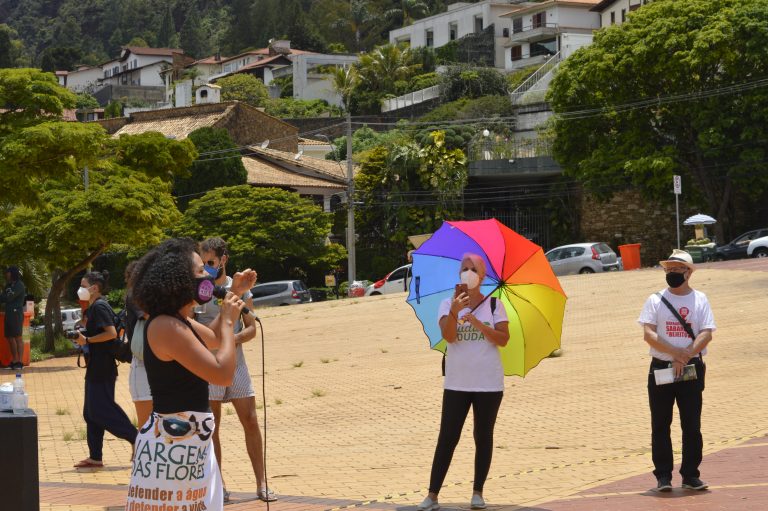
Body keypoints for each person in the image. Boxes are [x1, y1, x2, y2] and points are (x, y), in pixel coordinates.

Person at [126, 238, 256, 511]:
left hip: (189, 444)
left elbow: (216, 340)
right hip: (174, 447)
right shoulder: (166, 326)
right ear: (180, 281)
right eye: (199, 271)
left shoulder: (179, 321)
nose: (207, 276)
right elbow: (222, 374)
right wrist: (229, 320)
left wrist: (233, 292)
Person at [418, 253, 510, 511]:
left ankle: (478, 492)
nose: (467, 273)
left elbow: (503, 339)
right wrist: (455, 311)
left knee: (483, 435)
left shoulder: (495, 305)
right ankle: (432, 495)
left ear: (482, 276)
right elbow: (449, 337)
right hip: (457, 383)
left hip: (488, 383)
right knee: (448, 436)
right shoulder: (447, 303)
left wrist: (478, 323)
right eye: (464, 268)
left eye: (473, 269)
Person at [196, 237, 275, 502]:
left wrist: (232, 339)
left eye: (211, 261)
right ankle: (220, 486)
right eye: (203, 262)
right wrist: (216, 342)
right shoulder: (199, 290)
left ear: (223, 260)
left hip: (236, 363)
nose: (207, 267)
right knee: (212, 426)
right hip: (209, 365)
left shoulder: (239, 288)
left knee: (250, 420)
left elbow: (251, 328)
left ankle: (262, 483)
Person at [638, 249, 715, 492]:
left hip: (691, 368)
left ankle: (690, 475)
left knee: (691, 424)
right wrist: (676, 354)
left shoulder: (700, 299)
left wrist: (686, 355)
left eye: (676, 269)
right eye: (668, 269)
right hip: (661, 368)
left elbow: (706, 333)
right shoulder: (655, 300)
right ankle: (663, 476)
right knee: (660, 424)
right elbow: (648, 334)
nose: (671, 273)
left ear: (688, 272)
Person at [73, 270, 138, 469]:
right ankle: (95, 457)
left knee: (102, 410)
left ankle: (136, 438)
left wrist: (87, 340)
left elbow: (110, 333)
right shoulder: (94, 307)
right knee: (91, 413)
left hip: (103, 367)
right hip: (97, 365)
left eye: (83, 285)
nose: (80, 289)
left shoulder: (100, 306)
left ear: (94, 288)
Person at [124, 261, 152, 430]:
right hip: (142, 362)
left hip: (155, 361)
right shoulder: (135, 295)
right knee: (146, 424)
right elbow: (149, 315)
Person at [1, 266, 26, 370]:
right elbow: (2, 297)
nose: (6, 274)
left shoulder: (19, 285)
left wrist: (3, 297)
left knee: (17, 337)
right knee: (10, 338)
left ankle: (19, 361)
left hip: (16, 314)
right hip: (9, 314)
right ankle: (14, 360)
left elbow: (8, 298)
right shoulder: (8, 285)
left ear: (12, 273)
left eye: (8, 272)